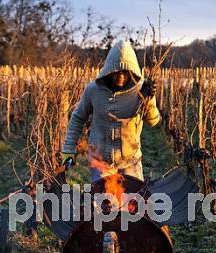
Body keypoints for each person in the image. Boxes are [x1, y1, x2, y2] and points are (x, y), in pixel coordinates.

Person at [61, 40, 161, 182]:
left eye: (125, 72)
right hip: (100, 162)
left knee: (135, 200)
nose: (120, 76)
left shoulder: (140, 91)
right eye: (116, 71)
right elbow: (78, 118)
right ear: (109, 69)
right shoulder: (93, 90)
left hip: (130, 161)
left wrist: (149, 99)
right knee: (104, 202)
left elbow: (153, 121)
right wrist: (69, 150)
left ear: (132, 71)